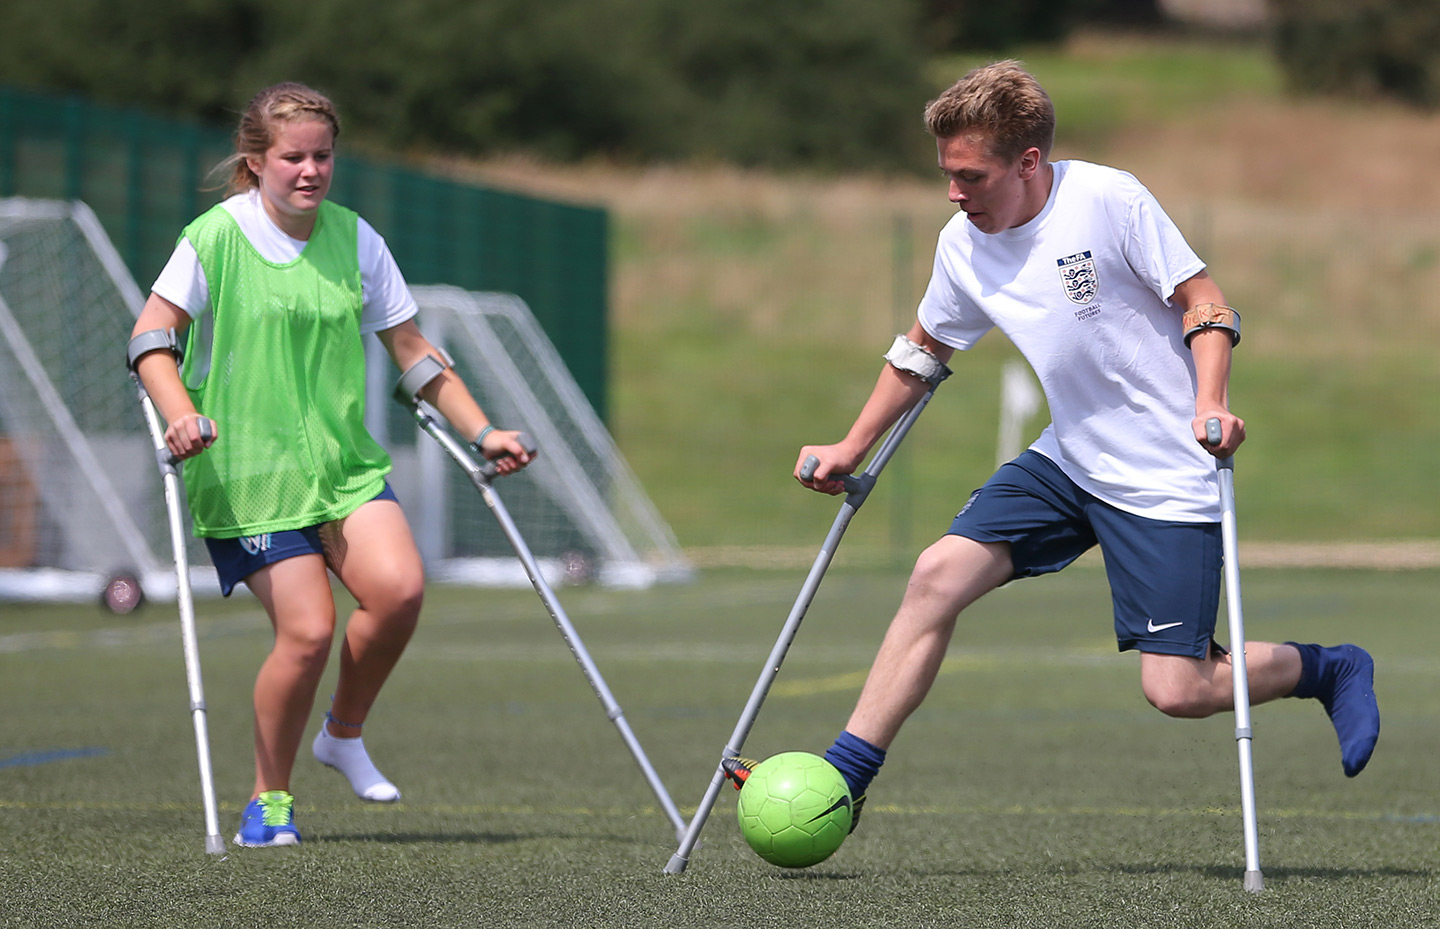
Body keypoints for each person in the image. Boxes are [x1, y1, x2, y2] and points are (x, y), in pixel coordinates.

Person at [724, 61, 1380, 828]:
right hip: (1068, 458)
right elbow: (923, 350)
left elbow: (1206, 303)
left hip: (1165, 470)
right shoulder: (962, 243)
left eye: (970, 175)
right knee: (936, 574)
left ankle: (1329, 667)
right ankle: (845, 779)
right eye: (946, 174)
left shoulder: (1108, 199)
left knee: (1179, 690)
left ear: (1028, 163)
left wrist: (1211, 400)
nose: (953, 192)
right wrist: (852, 444)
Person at [127, 82, 533, 848]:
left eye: (323, 155)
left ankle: (343, 733)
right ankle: (267, 800)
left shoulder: (356, 238)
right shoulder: (215, 236)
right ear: (256, 161)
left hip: (341, 467)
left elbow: (413, 353)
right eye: (292, 157)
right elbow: (149, 338)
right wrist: (180, 414)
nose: (310, 170)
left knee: (400, 590)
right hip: (248, 474)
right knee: (308, 632)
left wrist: (484, 432)